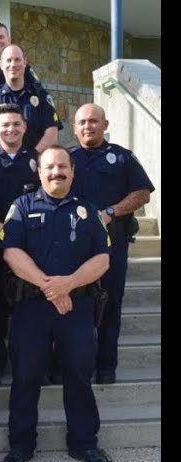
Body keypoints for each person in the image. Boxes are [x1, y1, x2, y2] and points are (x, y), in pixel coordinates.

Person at [0, 145, 112, 462]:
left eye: (62, 166)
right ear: (39, 171)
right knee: (25, 376)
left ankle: (84, 443)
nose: (56, 172)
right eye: (49, 167)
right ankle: (21, 445)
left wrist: (70, 283)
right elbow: (10, 252)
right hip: (31, 308)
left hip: (76, 307)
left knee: (78, 375)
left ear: (72, 171)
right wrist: (50, 287)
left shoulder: (89, 210)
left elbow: (103, 259)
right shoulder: (21, 206)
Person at [70, 103, 155, 384]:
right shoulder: (66, 159)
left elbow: (143, 193)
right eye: (82, 122)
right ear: (75, 128)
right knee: (74, 304)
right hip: (74, 245)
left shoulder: (122, 157)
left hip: (113, 242)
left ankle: (106, 365)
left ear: (105, 125)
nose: (88, 126)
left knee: (111, 304)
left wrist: (111, 212)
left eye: (94, 121)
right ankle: (74, 364)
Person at [0, 104, 40, 387]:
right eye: (5, 124)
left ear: (24, 127)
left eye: (16, 124)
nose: (11, 129)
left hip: (31, 247)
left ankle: (31, 367)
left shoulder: (38, 161)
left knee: (30, 309)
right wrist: (1, 228)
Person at [0, 44, 62, 154]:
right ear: (1, 64)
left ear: (25, 62)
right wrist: (9, 159)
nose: (13, 64)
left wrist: (31, 157)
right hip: (2, 162)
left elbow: (52, 133)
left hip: (35, 161)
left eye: (17, 60)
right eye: (9, 60)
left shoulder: (41, 96)